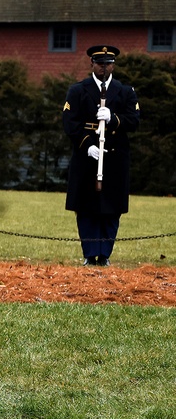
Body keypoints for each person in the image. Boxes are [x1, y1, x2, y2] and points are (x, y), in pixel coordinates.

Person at [62, 45, 140, 266]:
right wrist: (87, 145)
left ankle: (104, 254)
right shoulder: (77, 91)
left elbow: (134, 121)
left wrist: (114, 118)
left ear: (113, 65)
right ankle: (89, 253)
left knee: (111, 208)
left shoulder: (125, 92)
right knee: (86, 207)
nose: (103, 68)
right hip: (86, 157)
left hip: (115, 159)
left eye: (107, 64)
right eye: (99, 64)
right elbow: (70, 123)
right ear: (92, 64)